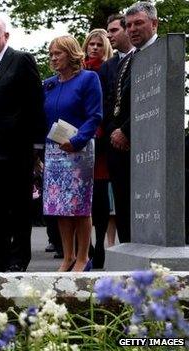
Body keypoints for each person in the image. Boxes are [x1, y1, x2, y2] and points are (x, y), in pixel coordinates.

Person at [0, 17, 46, 272]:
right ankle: (1, 255)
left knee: (18, 207)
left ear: (6, 35)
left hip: (17, 150)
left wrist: (37, 147)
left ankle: (19, 258)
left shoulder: (21, 60)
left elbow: (35, 103)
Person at [43, 35, 102, 272]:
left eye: (58, 53)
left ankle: (83, 258)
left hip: (79, 150)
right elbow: (42, 119)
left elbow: (95, 116)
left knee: (79, 206)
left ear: (71, 53)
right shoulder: (49, 84)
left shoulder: (89, 78)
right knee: (60, 206)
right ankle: (67, 257)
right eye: (51, 54)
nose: (54, 58)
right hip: (54, 150)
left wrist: (77, 140)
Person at [107, 1, 158, 244]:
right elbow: (115, 102)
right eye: (129, 25)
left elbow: (154, 100)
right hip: (119, 148)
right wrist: (114, 132)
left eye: (139, 23)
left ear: (154, 24)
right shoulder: (127, 59)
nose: (133, 29)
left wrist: (126, 130)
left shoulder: (160, 54)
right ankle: (127, 256)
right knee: (124, 208)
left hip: (147, 146)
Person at [99, 14, 133, 250]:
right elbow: (105, 103)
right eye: (108, 31)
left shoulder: (143, 58)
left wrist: (126, 130)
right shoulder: (108, 65)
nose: (109, 35)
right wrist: (113, 131)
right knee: (120, 199)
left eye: (114, 30)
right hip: (114, 142)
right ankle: (126, 247)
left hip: (137, 139)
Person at [82, 29, 113, 269]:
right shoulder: (79, 70)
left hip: (101, 140)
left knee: (100, 196)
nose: (94, 48)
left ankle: (100, 244)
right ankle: (87, 247)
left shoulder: (109, 70)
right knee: (82, 197)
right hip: (79, 138)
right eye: (90, 44)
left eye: (99, 45)